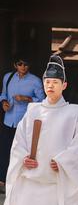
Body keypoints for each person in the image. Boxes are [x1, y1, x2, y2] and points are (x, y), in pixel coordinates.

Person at [2, 55, 78, 205]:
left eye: (55, 82)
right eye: (47, 82)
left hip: (58, 183)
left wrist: (63, 161)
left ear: (64, 85)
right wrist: (24, 158)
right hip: (33, 182)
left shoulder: (72, 114)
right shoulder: (33, 111)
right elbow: (19, 142)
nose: (50, 86)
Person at [0, 55, 45, 192]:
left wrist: (27, 98)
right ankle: (3, 181)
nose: (23, 67)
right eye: (20, 64)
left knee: (22, 153)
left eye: (25, 64)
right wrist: (4, 103)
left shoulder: (35, 81)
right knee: (5, 150)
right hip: (8, 121)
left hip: (25, 123)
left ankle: (20, 181)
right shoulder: (8, 77)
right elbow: (3, 94)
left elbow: (43, 101)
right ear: (15, 65)